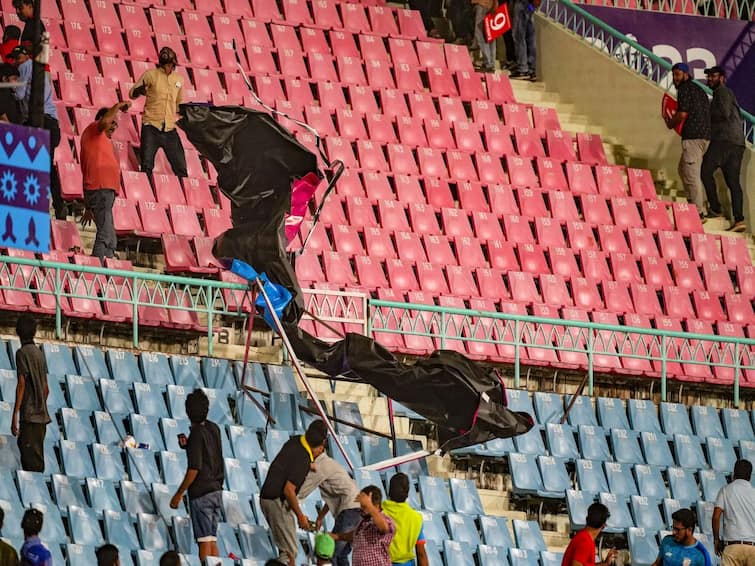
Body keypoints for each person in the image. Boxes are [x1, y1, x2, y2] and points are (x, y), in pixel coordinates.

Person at [260, 419, 328, 566]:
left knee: (287, 550)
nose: (322, 451)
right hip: (276, 501)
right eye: (322, 447)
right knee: (290, 552)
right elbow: (288, 490)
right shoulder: (303, 459)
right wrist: (300, 516)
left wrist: (309, 466)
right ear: (319, 445)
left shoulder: (296, 441)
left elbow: (290, 462)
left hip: (268, 497)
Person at [9, 45, 65, 219]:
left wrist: (10, 83)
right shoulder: (39, 69)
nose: (15, 62)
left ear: (23, 57)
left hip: (41, 121)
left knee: (32, 165)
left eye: (16, 59)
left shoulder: (26, 67)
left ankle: (36, 206)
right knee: (48, 167)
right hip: (52, 122)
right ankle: (58, 204)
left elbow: (19, 94)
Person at [169, 389, 224, 562]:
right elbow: (210, 454)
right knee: (212, 540)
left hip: (202, 494)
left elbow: (194, 468)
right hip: (217, 490)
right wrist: (188, 446)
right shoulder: (213, 428)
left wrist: (179, 494)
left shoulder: (196, 435)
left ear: (187, 411)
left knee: (204, 543)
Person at [79, 101, 132, 259]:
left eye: (117, 123)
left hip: (104, 192)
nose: (114, 126)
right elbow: (104, 122)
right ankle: (97, 272)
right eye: (112, 122)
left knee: (110, 237)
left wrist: (88, 206)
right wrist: (118, 105)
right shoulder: (94, 130)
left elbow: (85, 170)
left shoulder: (103, 142)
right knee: (105, 235)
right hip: (100, 190)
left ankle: (106, 269)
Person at [700, 66, 747, 232]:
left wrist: (707, 114)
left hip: (724, 141)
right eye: (709, 76)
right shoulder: (726, 94)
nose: (710, 79)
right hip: (737, 143)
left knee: (705, 171)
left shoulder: (722, 92)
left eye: (713, 76)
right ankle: (739, 220)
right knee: (733, 183)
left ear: (722, 78)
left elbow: (724, 113)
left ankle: (716, 209)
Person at [129, 46, 187, 179]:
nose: (169, 67)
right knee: (147, 166)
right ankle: (147, 194)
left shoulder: (179, 79)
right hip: (151, 126)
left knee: (181, 168)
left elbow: (179, 103)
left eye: (170, 64)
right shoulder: (150, 75)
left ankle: (183, 196)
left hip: (169, 128)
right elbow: (132, 93)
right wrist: (140, 90)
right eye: (167, 64)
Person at [298, 451, 362, 566]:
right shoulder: (332, 465)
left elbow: (301, 492)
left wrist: (298, 514)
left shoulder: (320, 466)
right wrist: (320, 517)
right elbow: (336, 494)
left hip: (349, 510)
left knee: (330, 553)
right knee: (342, 554)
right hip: (356, 509)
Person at [665, 62, 711, 219]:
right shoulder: (699, 90)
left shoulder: (685, 89)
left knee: (691, 174)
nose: (675, 78)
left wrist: (670, 123)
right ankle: (692, 202)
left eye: (678, 74)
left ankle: (698, 212)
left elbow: (682, 114)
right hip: (704, 138)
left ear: (686, 74)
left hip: (693, 137)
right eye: (673, 75)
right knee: (683, 169)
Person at [11, 314, 50, 473]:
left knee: (29, 463)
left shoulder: (22, 353)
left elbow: (21, 383)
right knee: (38, 461)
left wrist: (15, 414)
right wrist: (40, 404)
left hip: (30, 417)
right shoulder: (40, 354)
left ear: (18, 332)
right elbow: (46, 389)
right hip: (42, 417)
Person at [332, 485, 396, 566]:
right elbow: (355, 536)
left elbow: (384, 528)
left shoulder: (385, 519)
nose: (361, 509)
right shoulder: (363, 522)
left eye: (364, 506)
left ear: (376, 505)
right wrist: (337, 536)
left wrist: (369, 506)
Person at [712, 459, 755, 566]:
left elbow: (716, 517)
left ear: (734, 473)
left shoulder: (725, 490)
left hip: (732, 547)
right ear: (750, 476)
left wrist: (716, 540)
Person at [382, 473, 429, 566]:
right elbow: (421, 553)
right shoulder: (416, 518)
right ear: (407, 493)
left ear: (389, 491)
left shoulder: (378, 513)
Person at [510, 0, 538, 80]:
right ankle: (531, 69)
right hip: (530, 5)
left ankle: (523, 69)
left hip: (522, 3)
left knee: (519, 36)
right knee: (530, 38)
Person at [472, 0, 497, 73]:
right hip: (490, 6)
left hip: (483, 5)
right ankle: (491, 64)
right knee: (490, 36)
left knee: (481, 35)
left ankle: (488, 64)